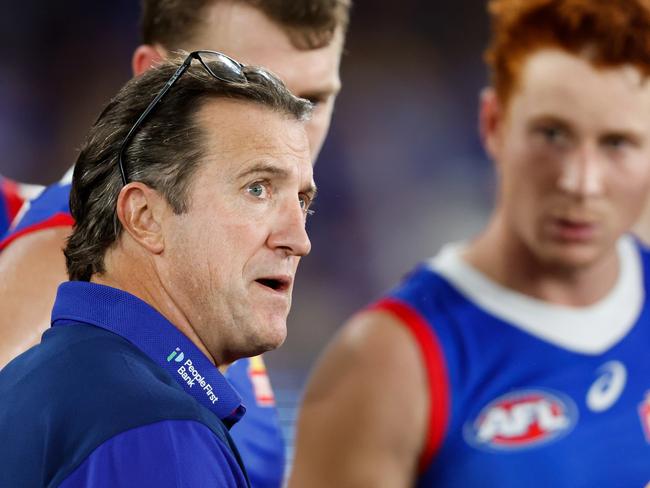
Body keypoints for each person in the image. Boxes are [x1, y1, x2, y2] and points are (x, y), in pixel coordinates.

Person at [290, 0, 650, 486]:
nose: (580, 181)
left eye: (617, 143)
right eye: (552, 134)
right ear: (494, 123)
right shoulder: (387, 364)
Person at [0, 1, 349, 486]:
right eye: (236, 78)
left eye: (315, 98)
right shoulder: (56, 252)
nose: (286, 123)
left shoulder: (211, 292)